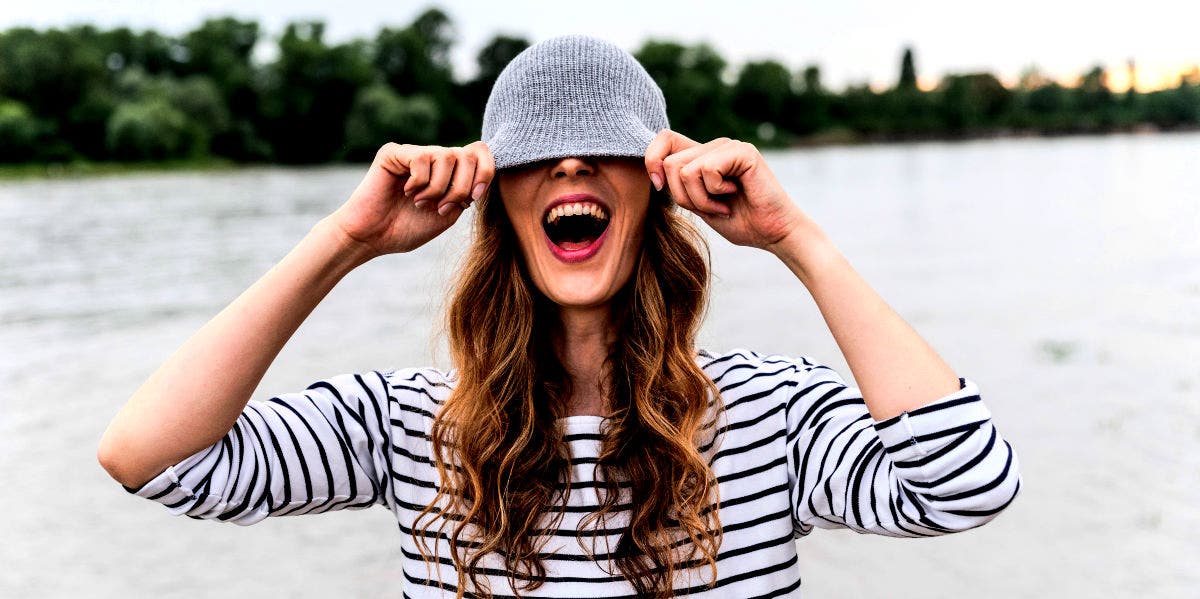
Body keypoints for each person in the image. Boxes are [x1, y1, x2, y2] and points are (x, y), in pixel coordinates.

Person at [98, 35, 1020, 598]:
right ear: (498, 203)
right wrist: (345, 239)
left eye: (602, 148)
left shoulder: (769, 417)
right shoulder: (409, 425)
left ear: (656, 193)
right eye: (538, 155)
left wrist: (798, 240)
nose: (571, 169)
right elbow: (151, 456)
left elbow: (967, 484)